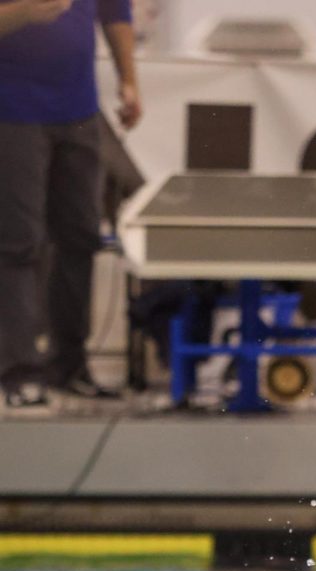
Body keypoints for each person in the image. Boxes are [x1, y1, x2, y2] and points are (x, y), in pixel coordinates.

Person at [0, 0, 142, 412]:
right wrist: (24, 13)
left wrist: (128, 80)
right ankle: (19, 371)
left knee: (80, 236)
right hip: (11, 111)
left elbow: (116, 14)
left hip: (79, 110)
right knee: (18, 242)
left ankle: (69, 364)